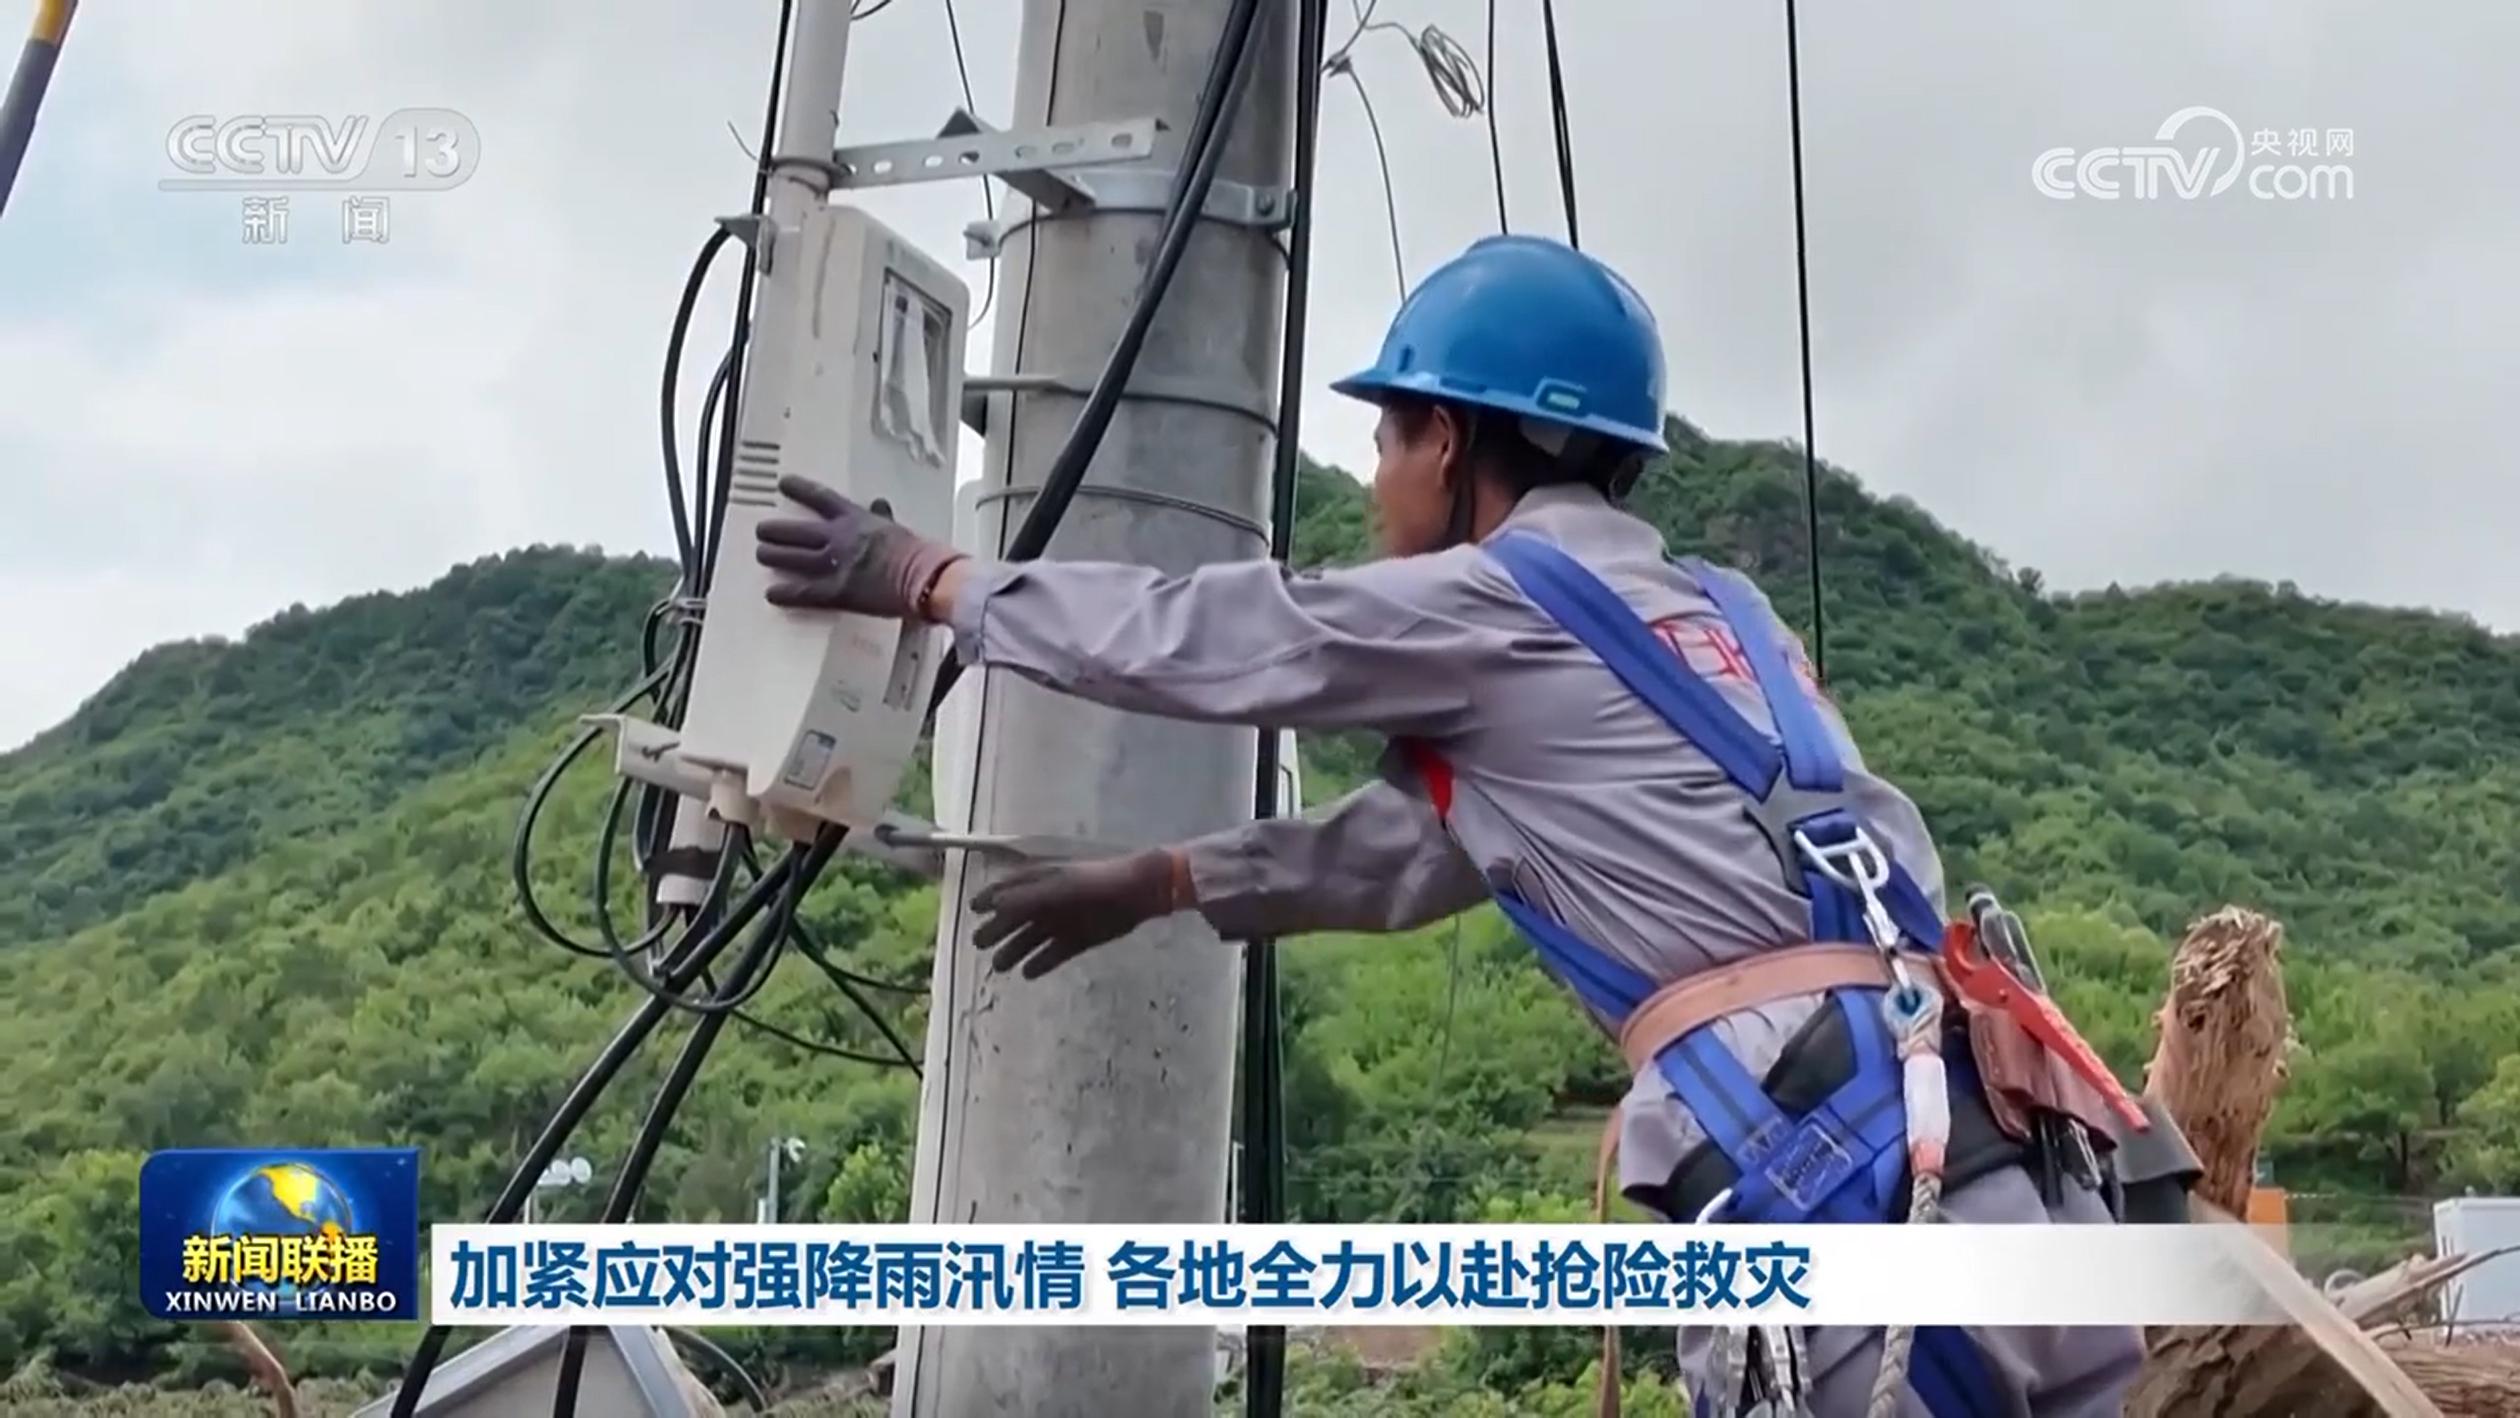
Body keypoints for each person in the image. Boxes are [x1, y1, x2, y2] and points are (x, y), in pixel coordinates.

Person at [754, 234, 2147, 1416]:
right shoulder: (1721, 617)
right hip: (2005, 1185)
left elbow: (1235, 634)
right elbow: (1424, 848)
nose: (1376, 478)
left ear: (1454, 439)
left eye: (1389, 436)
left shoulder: (1502, 605)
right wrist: (1170, 878)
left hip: (1843, 1216)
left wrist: (937, 579)